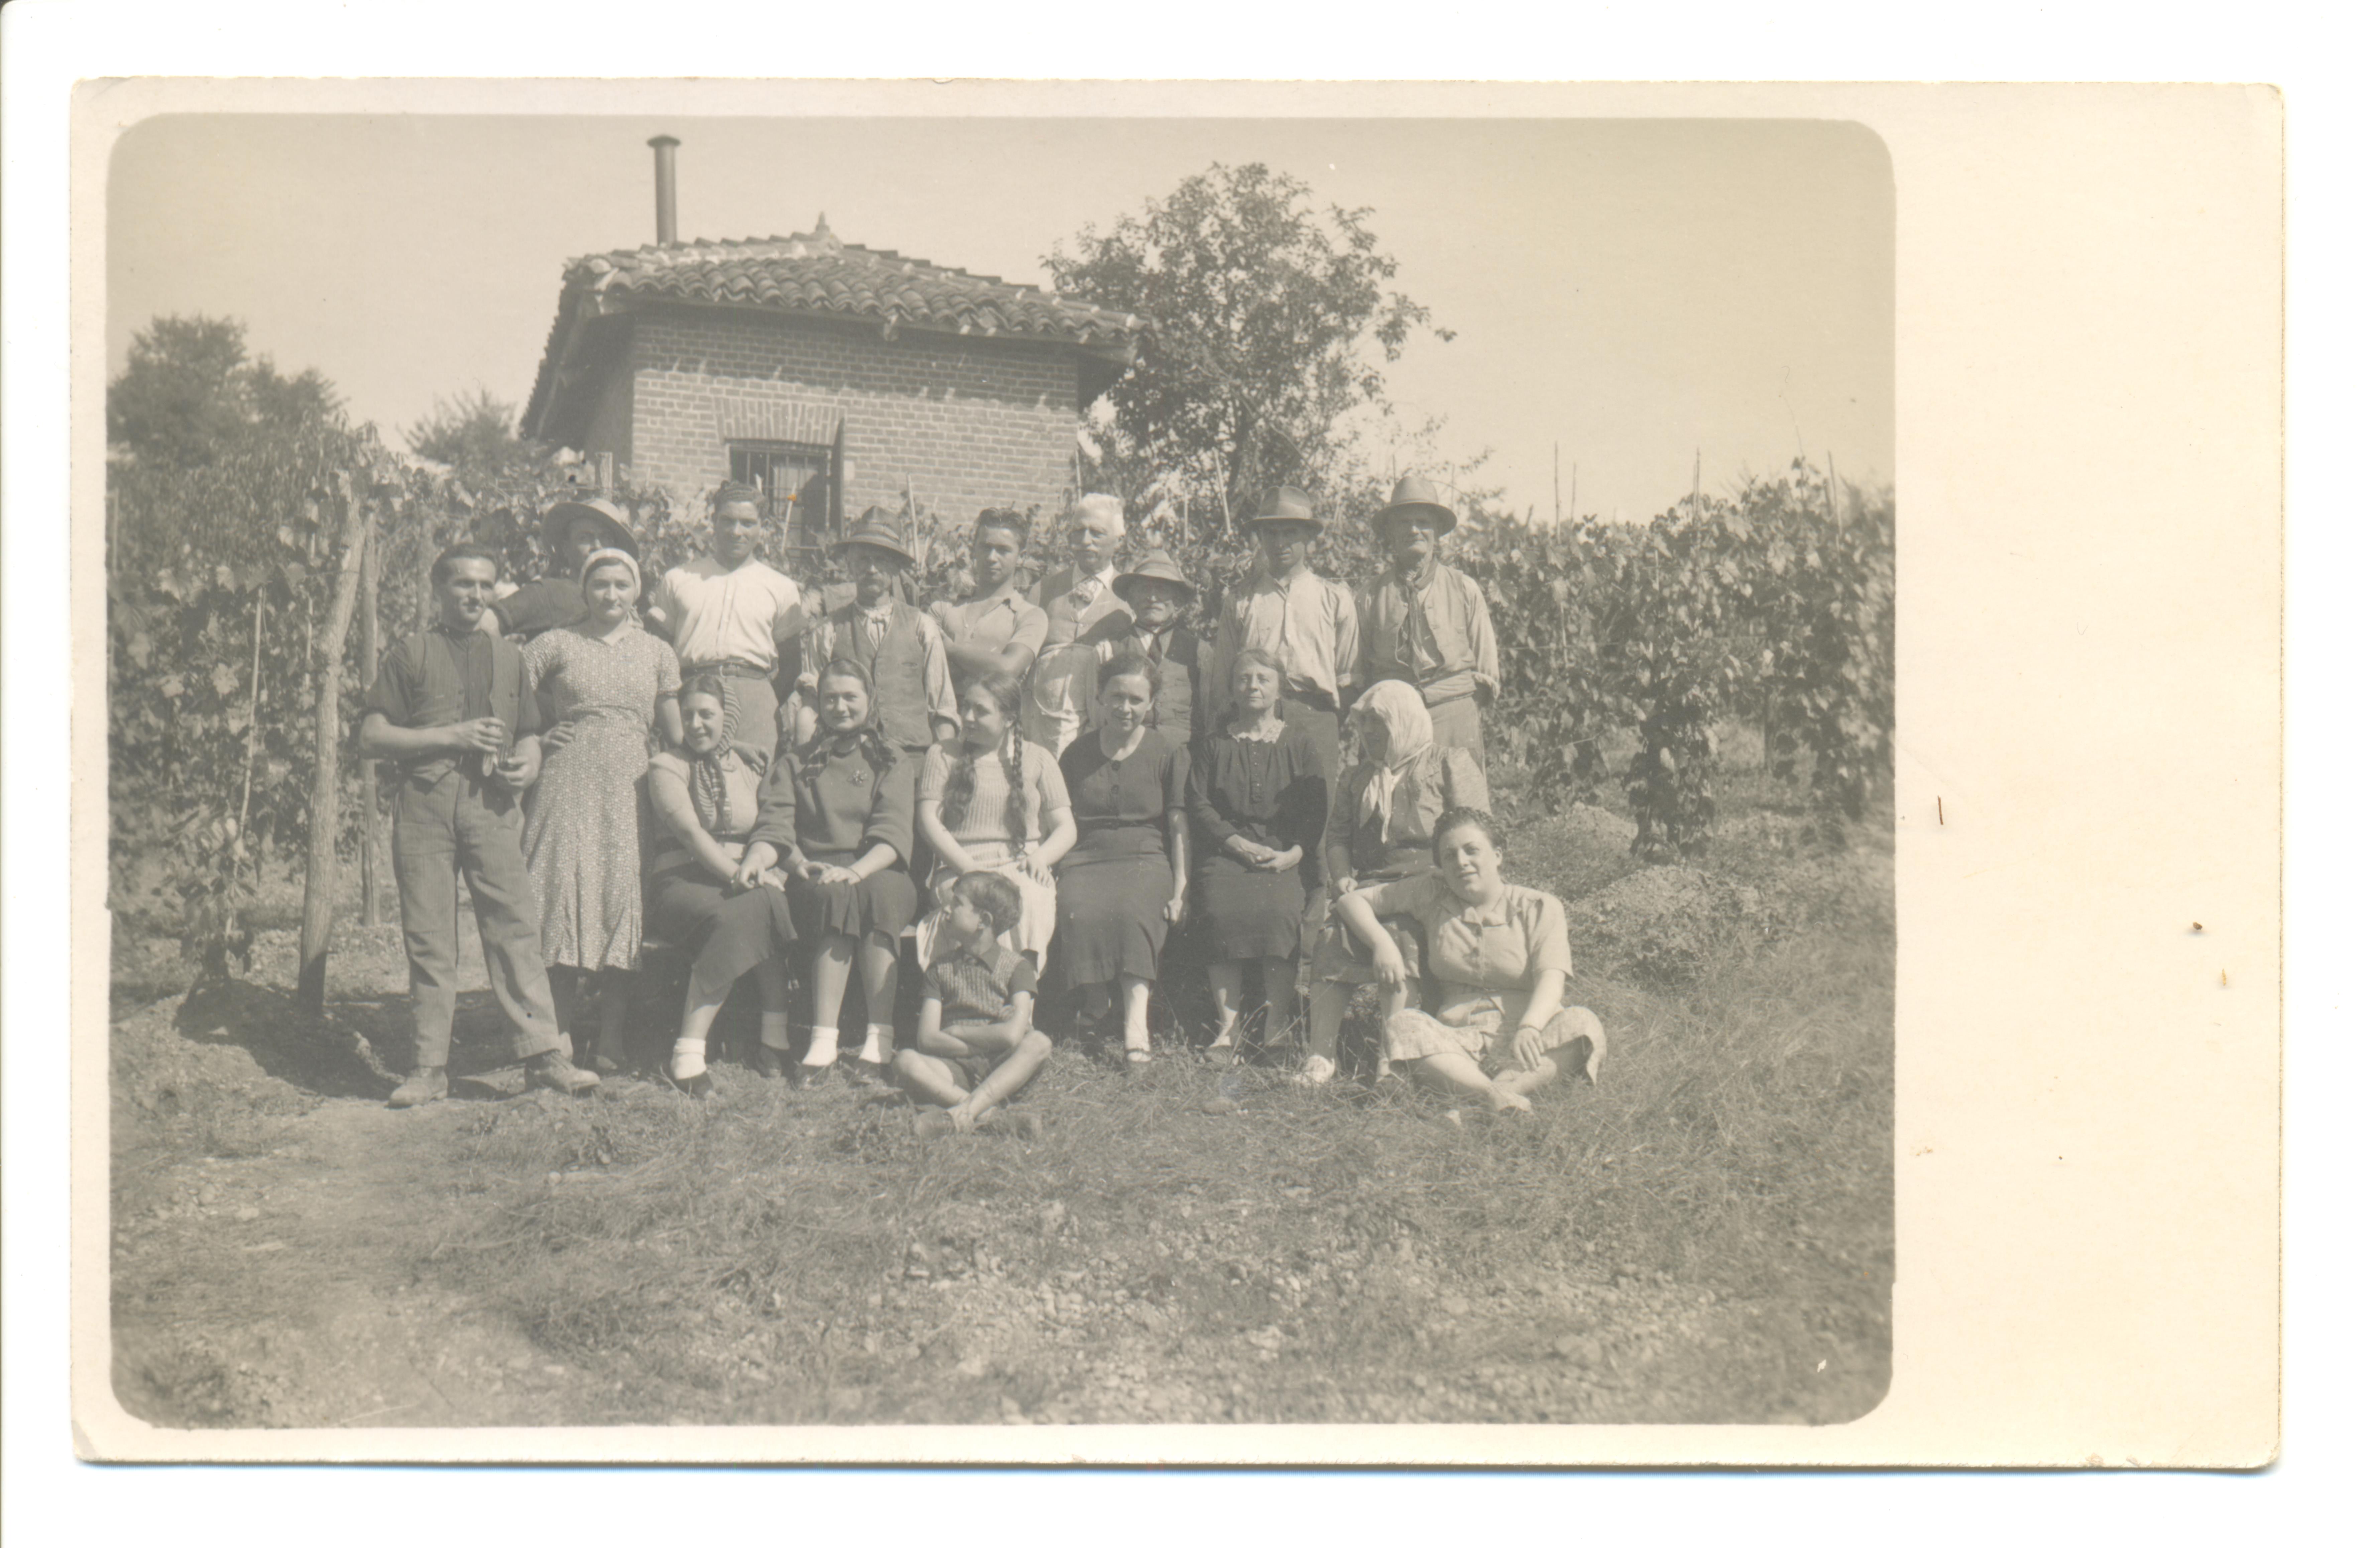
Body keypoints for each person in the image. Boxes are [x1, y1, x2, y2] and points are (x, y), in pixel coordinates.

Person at [357, 543, 596, 1107]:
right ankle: (428, 1068)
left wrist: (529, 762)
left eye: (487, 585)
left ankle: (543, 1057)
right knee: (430, 936)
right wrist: (452, 736)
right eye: (464, 584)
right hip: (425, 804)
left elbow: (530, 730)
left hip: (492, 806)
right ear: (439, 590)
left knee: (515, 927)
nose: (477, 595)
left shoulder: (511, 657)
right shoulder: (411, 652)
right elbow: (371, 736)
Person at [1335, 807, 1608, 1118]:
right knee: (1402, 1024)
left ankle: (1477, 1103)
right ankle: (1495, 1096)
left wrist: (1531, 1027)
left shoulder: (1540, 907)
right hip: (1457, 1043)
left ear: (1498, 855)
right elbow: (1351, 900)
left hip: (1525, 1039)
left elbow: (1552, 979)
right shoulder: (1431, 895)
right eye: (1450, 856)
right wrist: (1382, 944)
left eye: (1471, 850)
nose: (1461, 862)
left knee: (1584, 1023)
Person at [521, 549, 684, 1068]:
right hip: (566, 780)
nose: (611, 594)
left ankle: (612, 1037)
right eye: (600, 584)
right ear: (584, 590)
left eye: (621, 584)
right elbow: (508, 694)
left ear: (636, 591)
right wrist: (536, 737)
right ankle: (558, 1033)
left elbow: (677, 730)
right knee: (561, 893)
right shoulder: (556, 642)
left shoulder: (658, 651)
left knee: (621, 896)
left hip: (628, 785)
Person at [736, 657, 922, 1087]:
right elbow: (776, 827)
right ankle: (823, 1042)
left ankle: (880, 1041)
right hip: (818, 871)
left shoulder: (891, 759)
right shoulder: (796, 762)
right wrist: (791, 863)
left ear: (870, 700)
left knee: (878, 895)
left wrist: (856, 872)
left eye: (850, 697)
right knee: (833, 893)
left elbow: (893, 833)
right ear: (818, 703)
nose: (840, 707)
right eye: (830, 699)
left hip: (878, 866)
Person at [1303, 680, 1492, 1085]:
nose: (1370, 731)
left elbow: (1477, 830)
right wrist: (1342, 877)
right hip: (1372, 888)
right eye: (1365, 722)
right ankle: (1321, 1054)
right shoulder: (1357, 778)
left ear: (1405, 721)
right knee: (1333, 936)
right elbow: (1337, 838)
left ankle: (1392, 1060)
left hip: (1432, 885)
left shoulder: (1447, 763)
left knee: (1401, 935)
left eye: (1380, 722)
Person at [644, 673, 793, 1098]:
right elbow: (690, 834)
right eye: (687, 715)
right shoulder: (666, 766)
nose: (695, 725)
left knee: (768, 901)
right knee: (743, 910)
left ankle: (774, 1042)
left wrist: (779, 865)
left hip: (740, 878)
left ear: (727, 718)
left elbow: (769, 825)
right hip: (682, 882)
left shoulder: (747, 767)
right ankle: (687, 1054)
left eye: (707, 715)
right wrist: (736, 874)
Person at [1187, 647, 1330, 1062]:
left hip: (1281, 853)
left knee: (1281, 911)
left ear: (1279, 688)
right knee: (1219, 908)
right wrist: (1234, 843)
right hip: (1226, 852)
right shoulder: (1214, 744)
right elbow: (1199, 804)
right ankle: (1227, 1029)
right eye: (1244, 678)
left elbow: (1316, 808)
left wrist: (1294, 855)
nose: (1253, 686)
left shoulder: (1298, 742)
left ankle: (1276, 1027)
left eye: (1263, 679)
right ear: (1232, 688)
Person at [1054, 651, 1191, 1069]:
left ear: (1151, 703)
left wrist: (1181, 888)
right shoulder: (1076, 753)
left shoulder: (1167, 751)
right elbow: (1058, 819)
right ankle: (1098, 1002)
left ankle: (1136, 1026)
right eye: (1116, 697)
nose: (1125, 708)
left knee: (1134, 912)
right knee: (1077, 909)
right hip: (1085, 856)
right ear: (1100, 697)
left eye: (1136, 699)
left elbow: (1178, 825)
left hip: (1144, 856)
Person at [916, 672, 1076, 965]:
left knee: (1028, 900)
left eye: (981, 711)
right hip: (960, 867)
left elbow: (1066, 827)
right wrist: (970, 869)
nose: (968, 717)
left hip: (1022, 865)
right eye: (966, 707)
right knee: (976, 906)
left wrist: (1041, 858)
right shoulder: (943, 754)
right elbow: (928, 820)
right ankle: (972, 990)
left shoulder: (1039, 758)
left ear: (1009, 719)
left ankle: (1021, 990)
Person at [1208, 486, 1359, 781]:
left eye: (1290, 533)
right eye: (1271, 533)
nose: (1280, 543)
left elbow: (1349, 677)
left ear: (1309, 537)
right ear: (1261, 537)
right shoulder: (1242, 600)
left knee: (1315, 804)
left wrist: (1326, 722)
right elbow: (1223, 678)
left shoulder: (1335, 598)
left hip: (1316, 717)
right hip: (1255, 719)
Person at [648, 481, 811, 748]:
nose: (737, 532)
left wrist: (760, 697)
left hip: (755, 699)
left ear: (763, 526)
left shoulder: (781, 587)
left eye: (747, 523)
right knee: (688, 771)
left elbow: (791, 665)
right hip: (693, 694)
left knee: (753, 772)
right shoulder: (678, 579)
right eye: (728, 521)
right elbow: (659, 654)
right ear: (714, 521)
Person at [1355, 474, 1501, 771]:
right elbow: (1360, 670)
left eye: (1423, 522)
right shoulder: (1371, 595)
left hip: (1452, 714)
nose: (1414, 530)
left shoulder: (1464, 588)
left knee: (1458, 791)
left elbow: (1487, 672)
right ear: (1391, 532)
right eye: (1404, 523)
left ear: (1437, 531)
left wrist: (1459, 708)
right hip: (1392, 719)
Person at [892, 871, 1054, 1138]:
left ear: (984, 920)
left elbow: (1013, 1036)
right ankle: (987, 1114)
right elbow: (927, 1039)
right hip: (953, 1068)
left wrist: (958, 1032)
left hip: (1002, 1068)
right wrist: (992, 1037)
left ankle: (961, 1112)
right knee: (905, 1061)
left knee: (1040, 1043)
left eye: (957, 903)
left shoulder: (1018, 967)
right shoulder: (939, 968)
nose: (946, 909)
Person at [796, 508, 959, 758]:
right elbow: (811, 708)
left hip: (911, 760)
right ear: (850, 565)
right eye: (863, 560)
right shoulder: (827, 631)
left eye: (881, 560)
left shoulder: (922, 627)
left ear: (896, 568)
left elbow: (943, 709)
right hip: (846, 760)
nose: (871, 569)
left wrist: (944, 767)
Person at [1022, 494, 1131, 754]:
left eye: (1097, 533)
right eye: (1079, 531)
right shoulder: (1043, 590)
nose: (1085, 541)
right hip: (1041, 727)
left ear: (1119, 540)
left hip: (1100, 730)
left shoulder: (1130, 598)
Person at [1075, 549, 1211, 748]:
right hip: (1125, 756)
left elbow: (1210, 714)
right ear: (1130, 599)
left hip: (1184, 757)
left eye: (1162, 590)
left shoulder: (1200, 652)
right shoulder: (1107, 650)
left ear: (1178, 601)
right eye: (1143, 590)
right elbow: (1097, 718)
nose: (1152, 598)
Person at [485, 497, 638, 642]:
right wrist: (511, 659)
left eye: (606, 538)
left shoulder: (622, 600)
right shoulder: (548, 593)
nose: (597, 547)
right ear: (566, 548)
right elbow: (485, 625)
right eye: (585, 538)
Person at [931, 507, 1048, 689]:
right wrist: (986, 663)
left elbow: (1008, 668)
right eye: (986, 548)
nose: (992, 558)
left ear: (1021, 556)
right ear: (974, 550)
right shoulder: (943, 608)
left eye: (1003, 550)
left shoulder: (1031, 616)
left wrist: (951, 650)